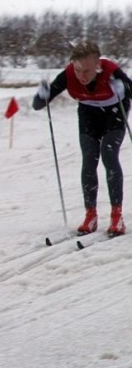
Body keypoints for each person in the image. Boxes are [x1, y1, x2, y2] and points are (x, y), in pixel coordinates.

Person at [32, 40, 131, 236]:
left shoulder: (111, 71)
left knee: (109, 156)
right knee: (89, 159)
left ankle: (116, 215)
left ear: (98, 66)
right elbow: (38, 105)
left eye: (86, 71)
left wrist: (124, 89)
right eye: (78, 69)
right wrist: (41, 95)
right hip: (89, 113)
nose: (81, 76)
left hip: (114, 113)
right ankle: (90, 214)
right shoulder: (69, 74)